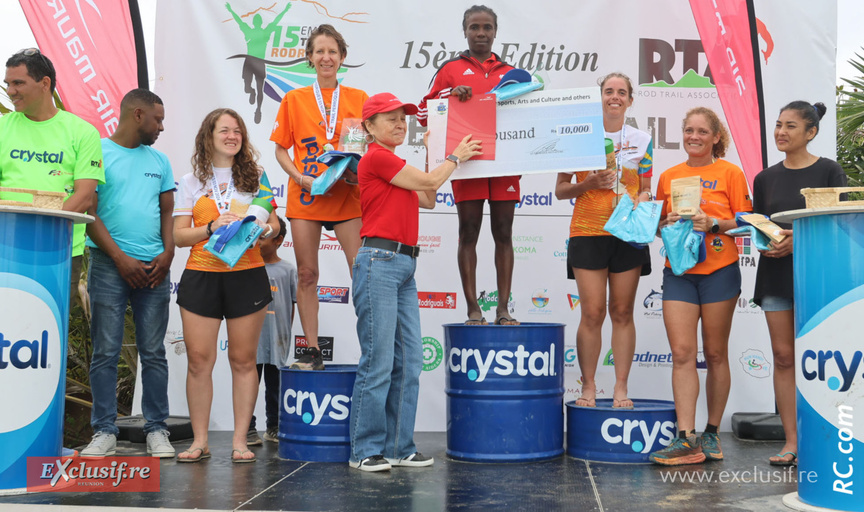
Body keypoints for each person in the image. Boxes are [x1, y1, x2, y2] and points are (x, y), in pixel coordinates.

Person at [349, 93, 481, 472]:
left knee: (409, 362)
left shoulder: (395, 162)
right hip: (380, 261)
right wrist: (454, 156)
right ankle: (364, 450)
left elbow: (428, 197)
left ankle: (397, 447)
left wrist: (431, 155)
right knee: (378, 362)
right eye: (388, 118)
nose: (398, 123)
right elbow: (430, 182)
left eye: (401, 118)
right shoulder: (376, 156)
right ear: (369, 128)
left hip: (402, 265)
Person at [173, 108, 281, 463]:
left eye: (237, 131)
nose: (232, 136)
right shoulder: (191, 181)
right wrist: (211, 228)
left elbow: (276, 225)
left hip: (247, 274)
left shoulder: (257, 176)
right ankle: (199, 441)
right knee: (199, 361)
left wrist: (263, 230)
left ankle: (239, 441)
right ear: (209, 135)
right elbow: (178, 237)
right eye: (224, 130)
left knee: (243, 360)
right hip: (202, 275)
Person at [649, 107, 752, 466]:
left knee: (716, 353)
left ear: (716, 137)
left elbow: (746, 225)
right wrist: (668, 221)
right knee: (681, 353)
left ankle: (711, 432)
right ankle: (685, 437)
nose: (694, 137)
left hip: (719, 271)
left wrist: (713, 224)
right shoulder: (669, 176)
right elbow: (658, 226)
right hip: (678, 270)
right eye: (689, 130)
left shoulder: (730, 173)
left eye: (702, 132)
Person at [80, 89, 175, 458]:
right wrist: (120, 259)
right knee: (105, 351)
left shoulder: (160, 160)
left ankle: (157, 429)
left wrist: (167, 253)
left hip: (154, 267)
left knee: (153, 351)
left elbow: (167, 211)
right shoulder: (98, 153)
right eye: (158, 119)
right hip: (108, 265)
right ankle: (104, 430)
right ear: (137, 115)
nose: (161, 127)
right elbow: (90, 214)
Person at [753, 101, 846, 467]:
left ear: (810, 132)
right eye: (778, 125)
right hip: (775, 275)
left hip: (819, 278)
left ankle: (828, 437)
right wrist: (770, 239)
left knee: (822, 358)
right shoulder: (765, 178)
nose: (781, 132)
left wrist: (799, 240)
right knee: (783, 357)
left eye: (790, 126)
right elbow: (759, 225)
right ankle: (792, 442)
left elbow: (838, 225)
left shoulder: (829, 171)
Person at [270, 24, 368, 370]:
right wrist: (299, 177)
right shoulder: (293, 99)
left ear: (342, 58)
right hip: (307, 196)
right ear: (309, 58)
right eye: (319, 51)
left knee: (362, 270)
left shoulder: (358, 98)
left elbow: (358, 150)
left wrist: (351, 170)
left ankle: (370, 345)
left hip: (345, 195)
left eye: (333, 51)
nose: (326, 57)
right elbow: (281, 149)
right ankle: (311, 351)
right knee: (308, 274)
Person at [554, 72, 653, 409]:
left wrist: (641, 200)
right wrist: (589, 183)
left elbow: (647, 185)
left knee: (623, 311)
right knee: (593, 313)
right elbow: (560, 190)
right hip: (588, 231)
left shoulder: (642, 140)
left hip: (627, 234)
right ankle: (589, 388)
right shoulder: (580, 136)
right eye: (609, 91)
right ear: (601, 96)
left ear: (629, 99)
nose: (615, 97)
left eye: (621, 92)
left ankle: (621, 388)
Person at [417, 5, 519, 326]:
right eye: (474, 27)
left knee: (504, 232)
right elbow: (423, 114)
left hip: (504, 163)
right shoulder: (450, 69)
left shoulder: (511, 72)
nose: (481, 33)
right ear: (465, 31)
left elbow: (527, 115)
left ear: (495, 32)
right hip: (468, 162)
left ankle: (503, 309)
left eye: (487, 27)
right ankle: (473, 309)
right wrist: (449, 94)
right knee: (468, 232)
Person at [0, 48, 104, 305]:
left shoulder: (82, 132)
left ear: (44, 83)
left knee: (45, 328)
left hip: (60, 251)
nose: (11, 91)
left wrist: (39, 234)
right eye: (8, 84)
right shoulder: (3, 128)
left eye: (18, 83)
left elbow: (84, 197)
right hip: (5, 243)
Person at [247, 217, 297, 444]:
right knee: (248, 384)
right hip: (251, 340)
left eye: (263, 238)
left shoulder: (288, 270)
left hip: (278, 338)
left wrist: (285, 333)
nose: (258, 242)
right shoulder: (247, 266)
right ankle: (247, 428)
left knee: (275, 386)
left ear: (279, 240)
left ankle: (274, 427)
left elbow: (293, 304)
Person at [225, 2, 292, 124]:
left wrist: (285, 10)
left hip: (260, 63)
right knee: (247, 87)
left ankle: (259, 110)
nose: (257, 22)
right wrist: (230, 10)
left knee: (260, 88)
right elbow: (239, 21)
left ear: (260, 23)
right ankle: (251, 91)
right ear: (255, 23)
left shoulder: (265, 32)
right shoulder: (248, 31)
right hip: (249, 62)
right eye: (256, 20)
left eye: (258, 20)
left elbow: (276, 21)